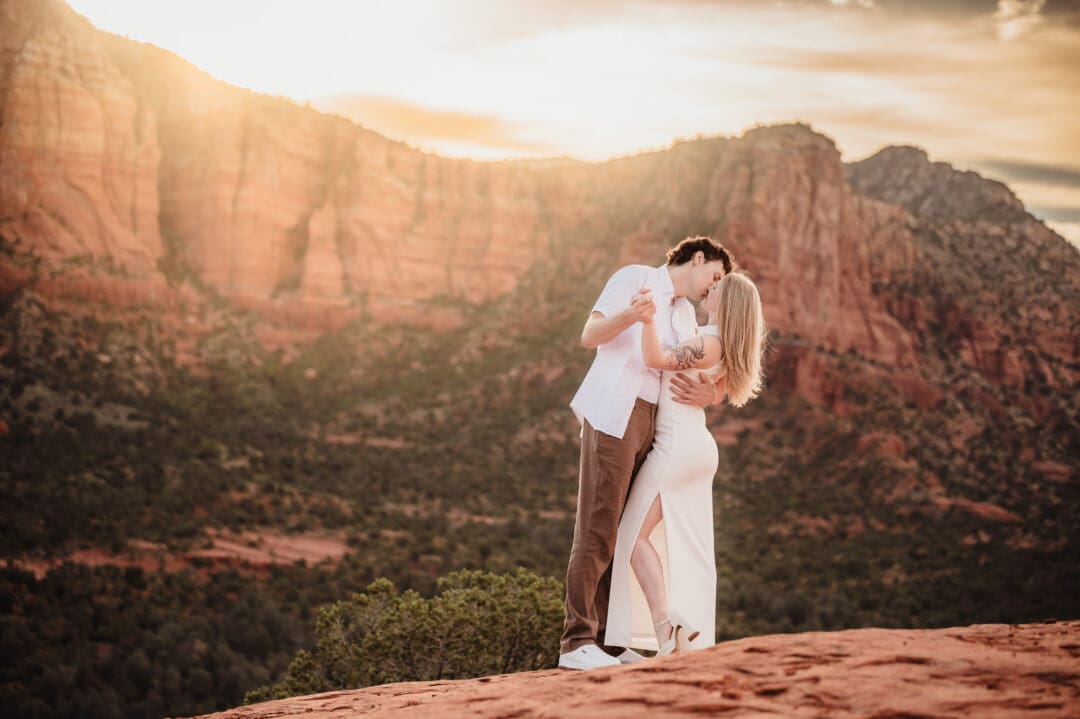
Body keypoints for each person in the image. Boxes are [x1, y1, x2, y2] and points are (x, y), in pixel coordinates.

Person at [558, 236, 735, 671]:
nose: (712, 287)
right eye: (714, 276)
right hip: (616, 412)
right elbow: (589, 335)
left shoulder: (685, 314)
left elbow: (710, 365)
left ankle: (609, 640)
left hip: (656, 426)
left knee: (624, 527)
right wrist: (632, 315)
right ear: (697, 259)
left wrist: (710, 394)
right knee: (598, 526)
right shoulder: (635, 278)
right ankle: (576, 641)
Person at [604, 271, 766, 655]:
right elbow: (722, 383)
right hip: (693, 447)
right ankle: (664, 632)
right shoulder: (720, 342)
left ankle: (665, 629)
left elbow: (654, 358)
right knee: (680, 544)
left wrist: (644, 319)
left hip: (677, 448)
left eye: (718, 288)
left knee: (631, 537)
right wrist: (712, 393)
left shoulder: (709, 342)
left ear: (728, 303)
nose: (711, 288)